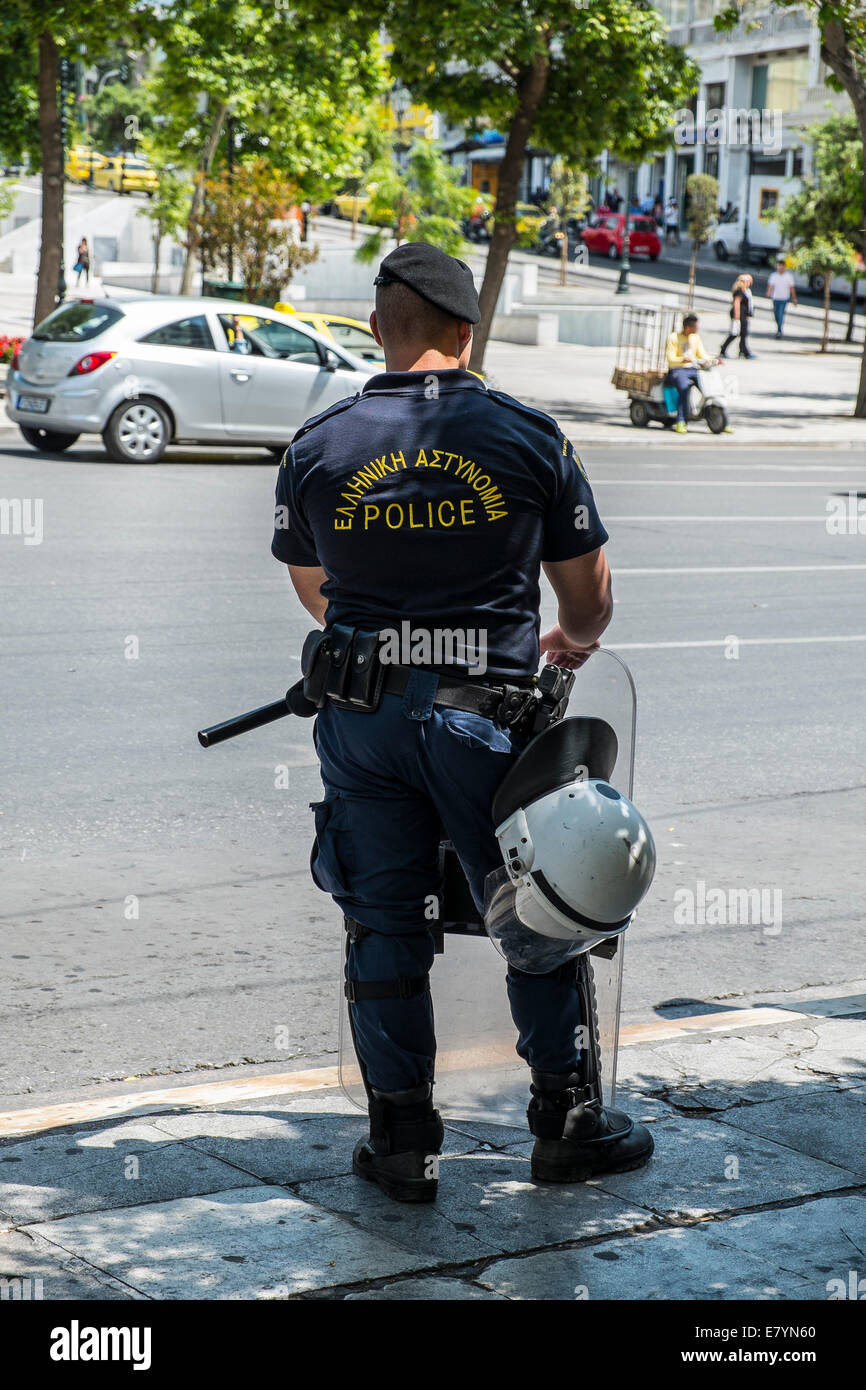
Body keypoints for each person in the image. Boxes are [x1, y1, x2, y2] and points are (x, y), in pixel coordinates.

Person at [271, 242, 653, 1203]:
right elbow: (589, 603)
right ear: (464, 330)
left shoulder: (319, 445)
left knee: (382, 920)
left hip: (362, 726)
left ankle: (401, 1144)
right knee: (539, 911)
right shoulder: (528, 436)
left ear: (378, 330)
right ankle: (566, 1125)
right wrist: (565, 638)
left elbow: (318, 593)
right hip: (485, 726)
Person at [665, 312, 720, 435]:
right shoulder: (674, 337)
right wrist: (683, 359)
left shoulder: (695, 338)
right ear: (688, 327)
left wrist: (714, 359)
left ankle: (720, 420)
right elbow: (670, 359)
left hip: (693, 368)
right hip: (678, 370)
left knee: (708, 387)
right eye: (695, 326)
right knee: (684, 389)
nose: (697, 328)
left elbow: (702, 354)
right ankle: (681, 421)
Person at [719, 273, 755, 359]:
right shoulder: (739, 291)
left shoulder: (746, 291)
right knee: (736, 333)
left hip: (744, 314)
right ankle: (726, 349)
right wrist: (737, 316)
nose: (750, 283)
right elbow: (737, 303)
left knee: (742, 333)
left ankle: (742, 350)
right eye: (748, 281)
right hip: (739, 314)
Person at [767, 256, 797, 337]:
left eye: (782, 266)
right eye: (779, 266)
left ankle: (779, 330)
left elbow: (792, 288)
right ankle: (778, 327)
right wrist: (769, 292)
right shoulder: (774, 275)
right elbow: (771, 285)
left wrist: (794, 298)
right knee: (776, 314)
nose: (780, 268)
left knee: (780, 314)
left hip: (784, 298)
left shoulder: (788, 276)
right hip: (775, 297)